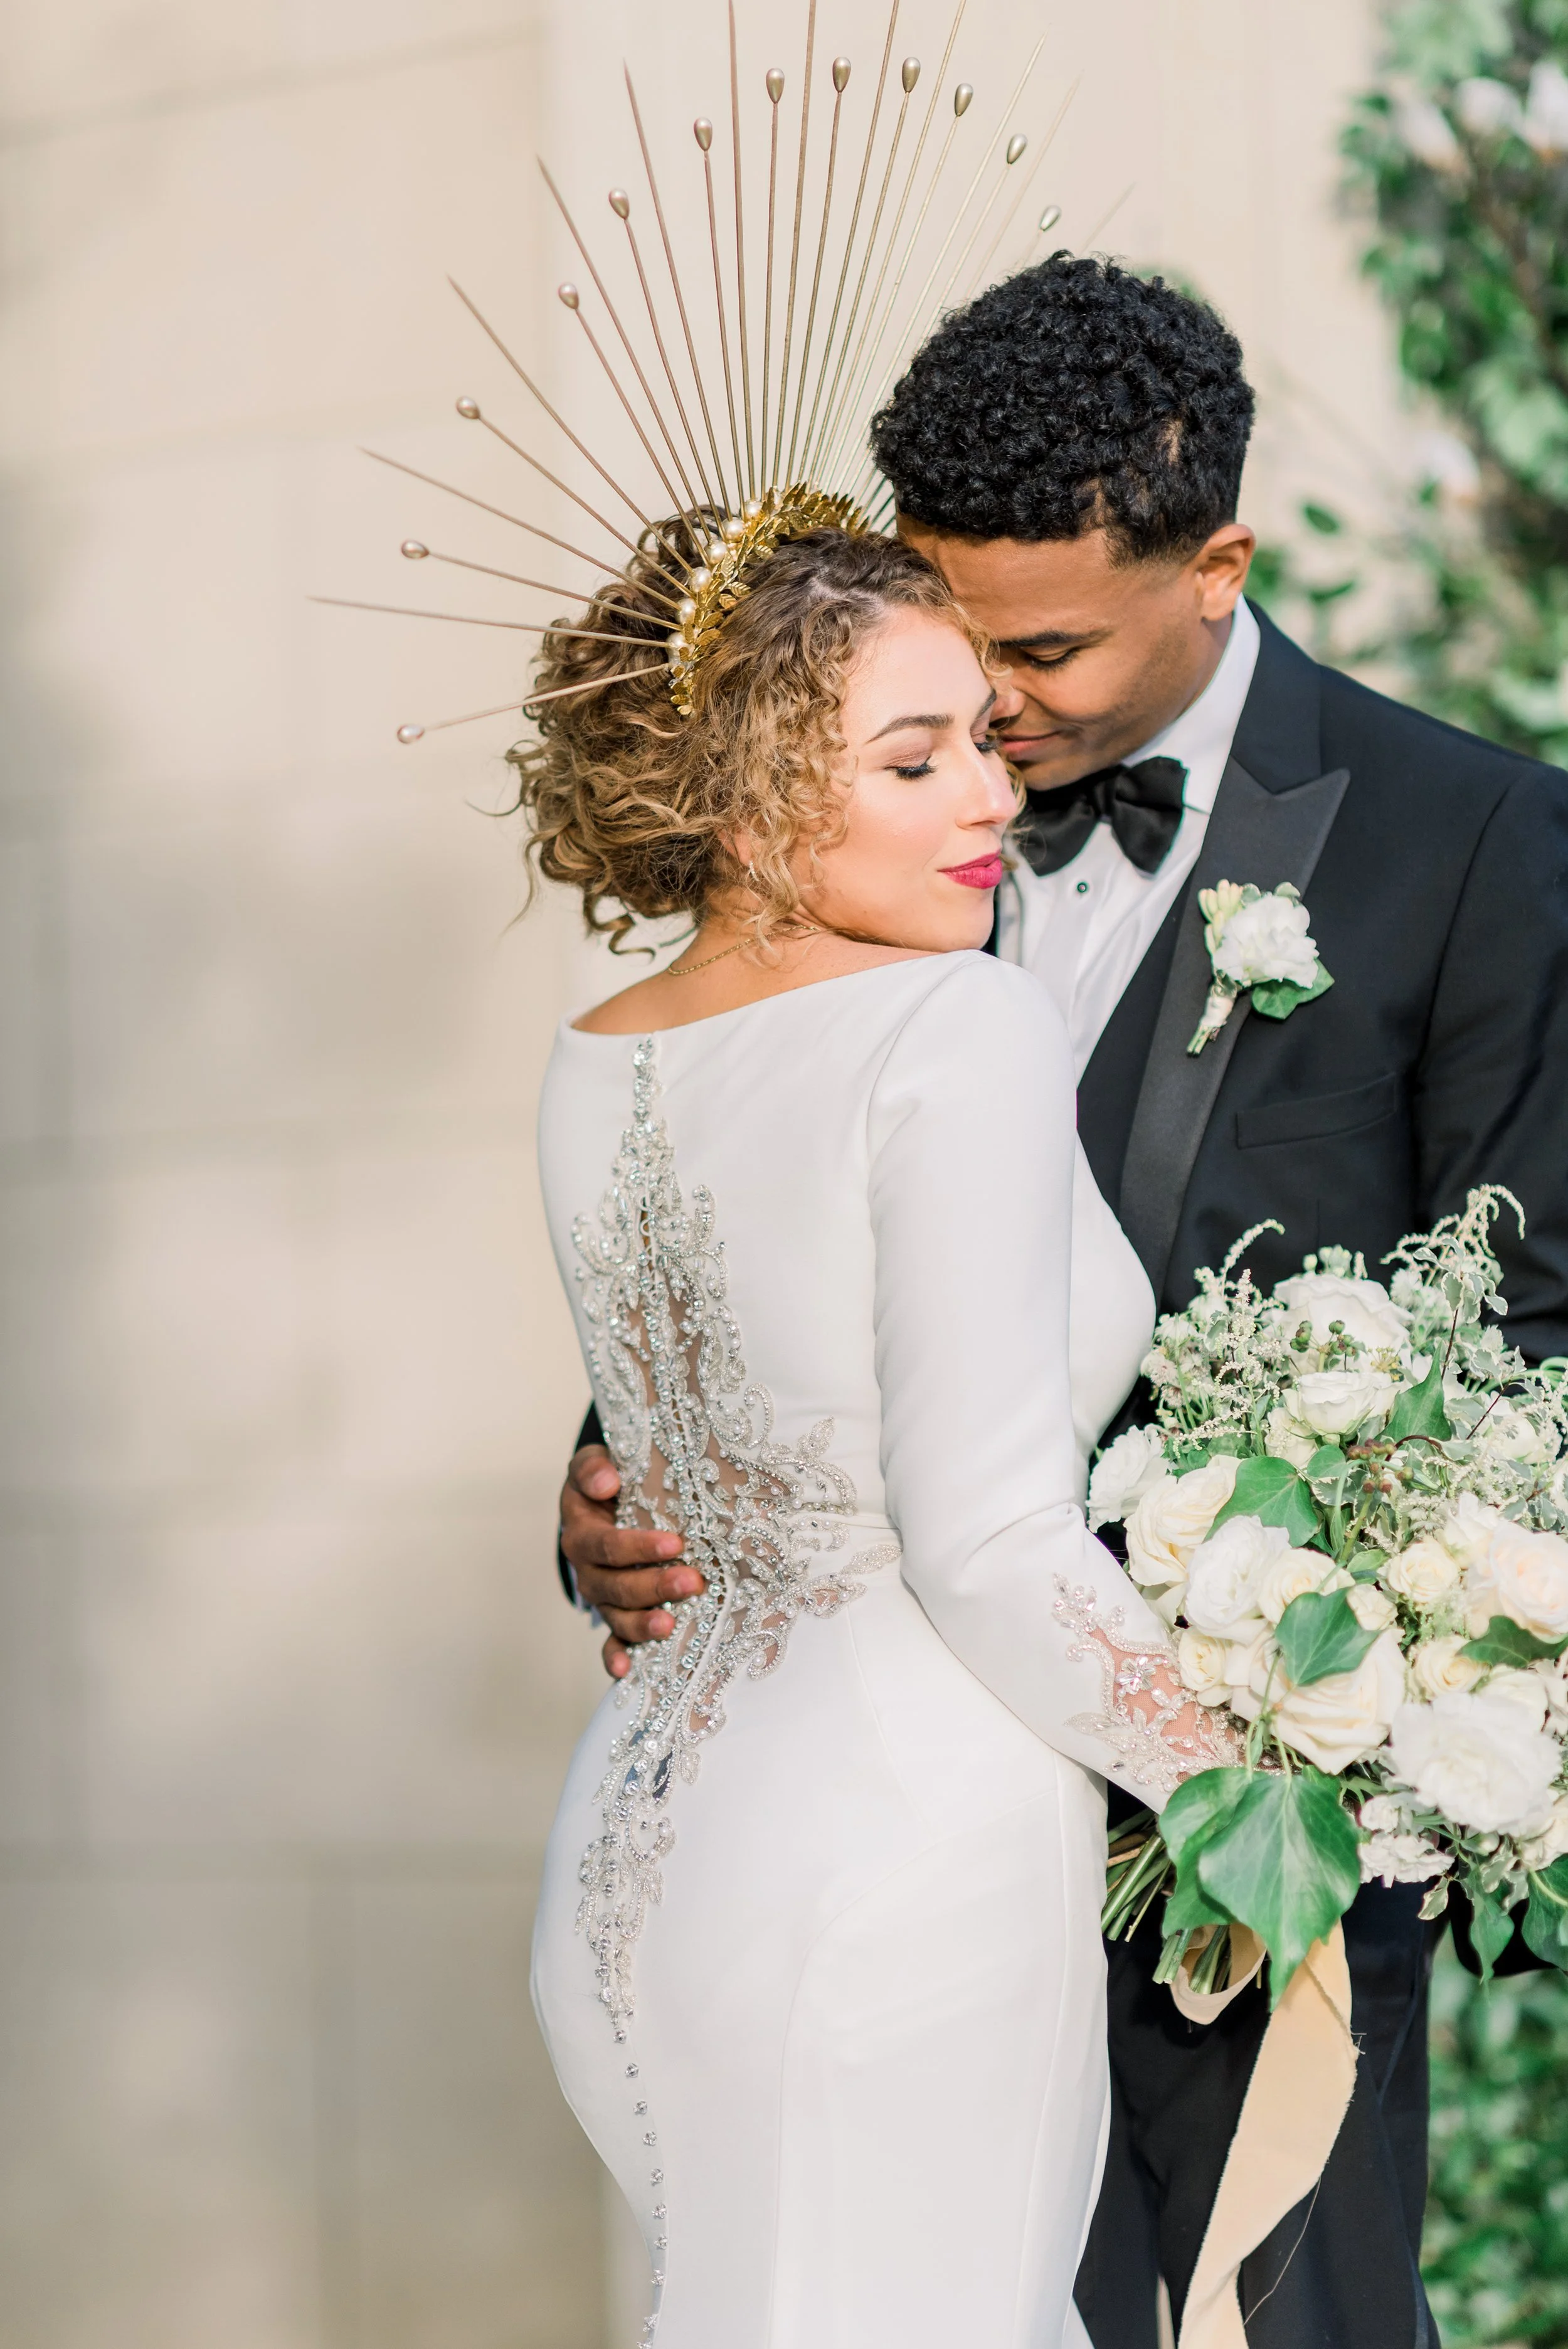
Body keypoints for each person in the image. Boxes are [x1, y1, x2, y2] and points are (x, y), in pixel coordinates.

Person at [560, 257, 1568, 2349]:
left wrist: (1342, 1717)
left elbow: (1529, 1332)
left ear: (1215, 565)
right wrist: (622, 1483)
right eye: (939, 653)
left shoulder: (1472, 845)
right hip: (900, 1826)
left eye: (1033, 655)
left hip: (1236, 1869)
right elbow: (744, 1223)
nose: (988, 735)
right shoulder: (869, 800)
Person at [528, 519, 1232, 2348]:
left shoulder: (596, 1050)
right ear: (749, 808)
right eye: (907, 762)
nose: (979, 799)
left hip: (630, 1870)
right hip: (900, 1868)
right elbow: (985, 1539)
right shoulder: (957, 1021)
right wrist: (1253, 1786)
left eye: (979, 744)